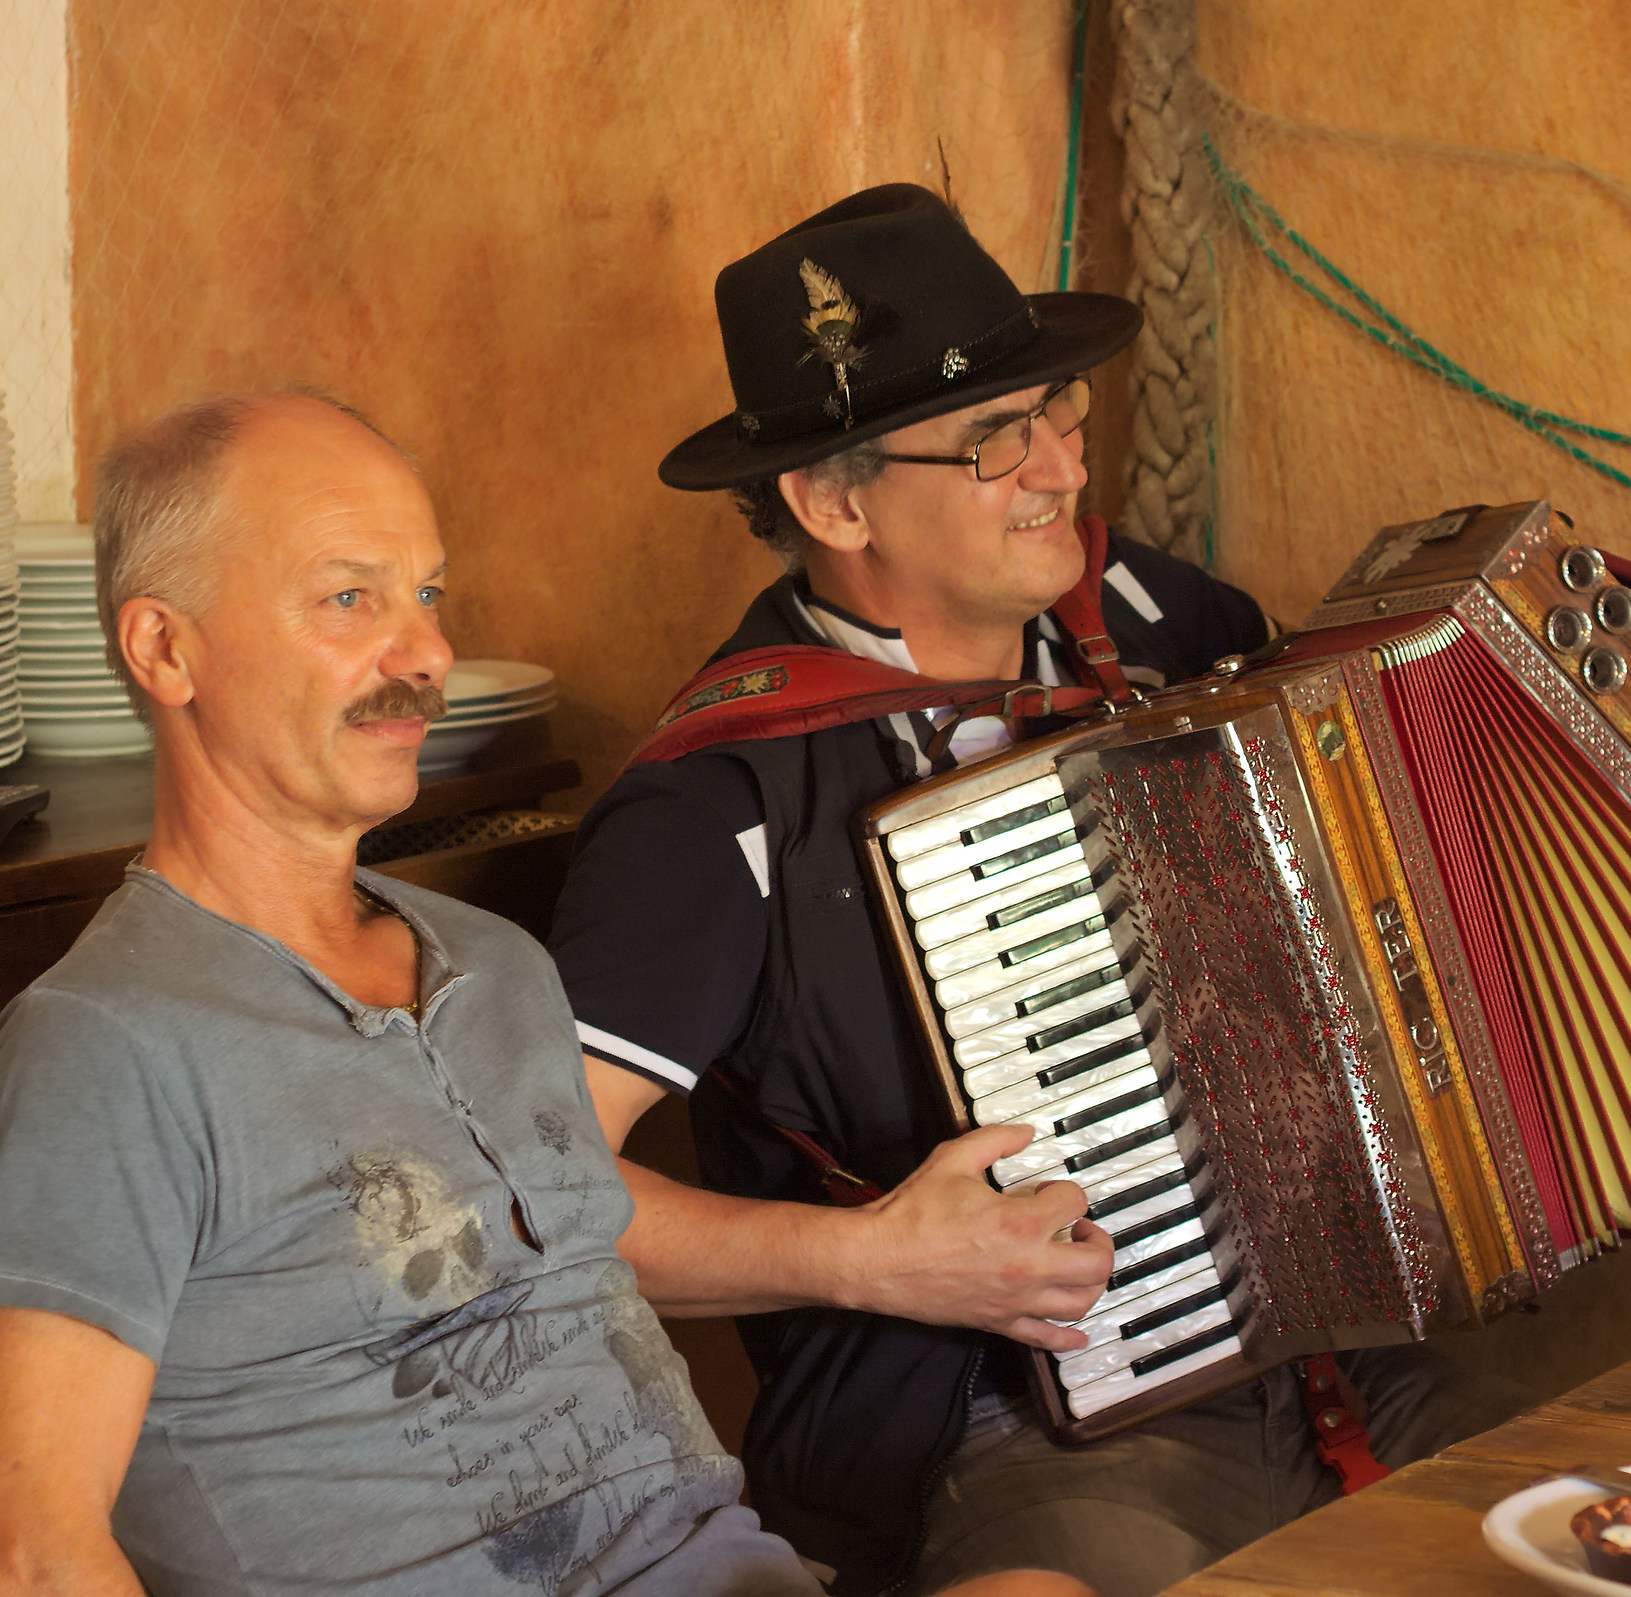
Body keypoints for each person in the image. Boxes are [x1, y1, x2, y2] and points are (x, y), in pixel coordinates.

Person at [546, 185, 1631, 1597]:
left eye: (1060, 413)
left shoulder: (1142, 618)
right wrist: (876, 1259)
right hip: (999, 1427)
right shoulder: (715, 807)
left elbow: (1406, 729)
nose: (1059, 471)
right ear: (834, 500)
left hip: (1337, 1364)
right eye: (993, 440)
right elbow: (536, 1201)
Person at [0, 390, 1081, 1597]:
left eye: (427, 595)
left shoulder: (493, 964)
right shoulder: (107, 1045)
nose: (425, 656)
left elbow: (588, 1232)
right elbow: (37, 1552)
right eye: (349, 597)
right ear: (165, 649)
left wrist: (874, 1253)